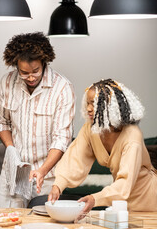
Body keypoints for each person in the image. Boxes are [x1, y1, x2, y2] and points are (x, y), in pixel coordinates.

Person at [49, 79, 157, 213]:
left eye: (94, 103)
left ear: (111, 106)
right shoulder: (91, 128)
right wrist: (58, 185)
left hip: (147, 200)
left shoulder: (132, 136)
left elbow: (125, 182)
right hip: (120, 200)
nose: (88, 108)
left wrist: (95, 198)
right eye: (87, 103)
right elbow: (74, 160)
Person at [0, 32, 76, 208]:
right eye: (24, 73)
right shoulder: (7, 83)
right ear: (15, 65)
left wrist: (42, 170)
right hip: (13, 173)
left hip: (48, 175)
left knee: (42, 228)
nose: (30, 77)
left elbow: (62, 138)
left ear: (44, 63)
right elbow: (1, 122)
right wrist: (11, 150)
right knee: (4, 224)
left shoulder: (62, 88)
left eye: (35, 71)